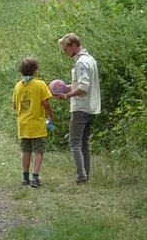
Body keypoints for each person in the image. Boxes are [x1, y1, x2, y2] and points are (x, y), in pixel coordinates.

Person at [58, 32, 102, 184]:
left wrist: (67, 95)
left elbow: (83, 87)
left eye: (66, 49)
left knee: (75, 142)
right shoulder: (90, 60)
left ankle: (81, 176)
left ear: (74, 46)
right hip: (92, 107)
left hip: (81, 107)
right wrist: (66, 87)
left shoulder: (81, 63)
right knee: (84, 143)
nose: (65, 53)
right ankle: (86, 174)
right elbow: (82, 83)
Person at [12, 57, 51, 187]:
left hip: (23, 124)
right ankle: (35, 177)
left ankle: (25, 177)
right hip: (37, 124)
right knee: (38, 151)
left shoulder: (18, 86)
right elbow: (46, 104)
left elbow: (14, 105)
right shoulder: (40, 85)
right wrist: (51, 117)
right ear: (35, 70)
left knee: (26, 151)